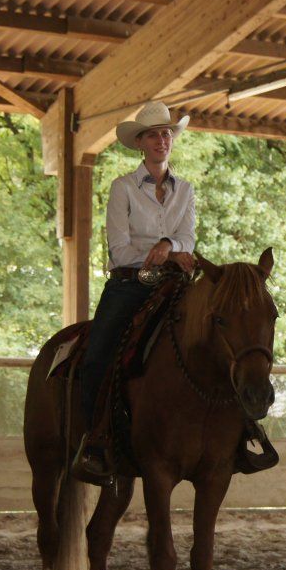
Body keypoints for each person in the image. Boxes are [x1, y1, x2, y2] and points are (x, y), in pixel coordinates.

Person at [71, 101, 197, 485]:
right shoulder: (122, 188)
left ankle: (231, 430)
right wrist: (160, 252)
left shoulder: (186, 189)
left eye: (167, 134)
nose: (163, 140)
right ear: (140, 143)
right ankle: (95, 439)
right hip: (129, 283)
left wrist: (169, 245)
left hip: (173, 282)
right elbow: (119, 249)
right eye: (155, 135)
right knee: (98, 355)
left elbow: (189, 238)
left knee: (214, 334)